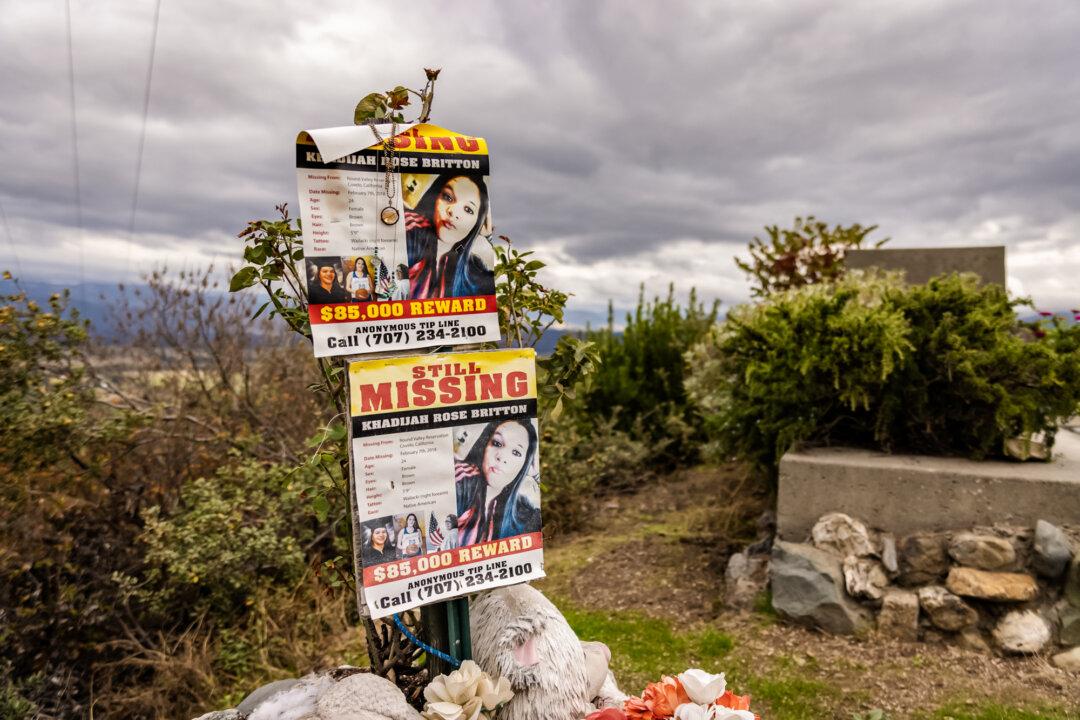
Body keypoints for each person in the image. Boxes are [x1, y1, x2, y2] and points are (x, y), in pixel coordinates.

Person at [406, 173, 495, 299]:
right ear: (435, 198)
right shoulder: (412, 229)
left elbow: (507, 284)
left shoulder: (473, 267)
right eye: (448, 197)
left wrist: (489, 236)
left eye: (468, 210)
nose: (453, 212)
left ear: (477, 223)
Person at [456, 419, 541, 546]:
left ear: (524, 465)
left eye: (516, 452)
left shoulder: (522, 513)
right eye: (497, 443)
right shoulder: (463, 479)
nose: (502, 457)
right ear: (484, 445)